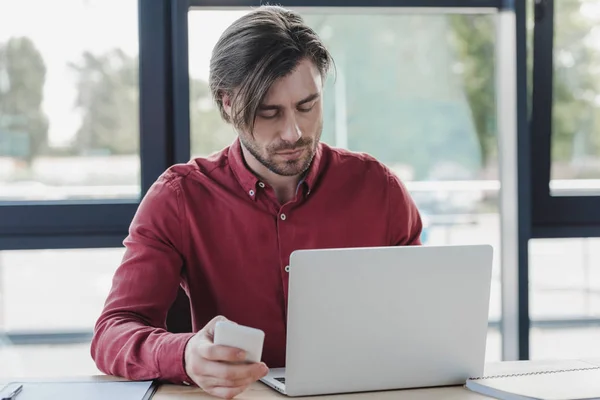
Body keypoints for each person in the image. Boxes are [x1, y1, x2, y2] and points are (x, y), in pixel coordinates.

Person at [91, 5, 422, 399]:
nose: (293, 132)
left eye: (307, 105)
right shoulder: (179, 198)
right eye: (270, 112)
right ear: (228, 104)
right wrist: (185, 354)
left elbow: (421, 318)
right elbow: (113, 331)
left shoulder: (377, 189)